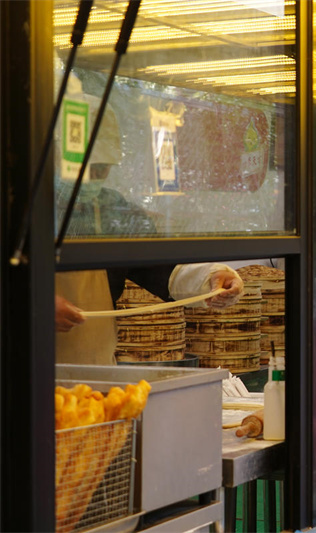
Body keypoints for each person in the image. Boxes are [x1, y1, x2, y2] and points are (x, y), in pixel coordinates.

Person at [54, 81, 243, 365]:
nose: (95, 176)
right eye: (87, 166)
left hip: (97, 376)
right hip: (22, 383)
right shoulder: (17, 208)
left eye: (103, 167)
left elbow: (162, 264)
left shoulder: (112, 210)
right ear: (57, 156)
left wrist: (212, 278)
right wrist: (32, 304)